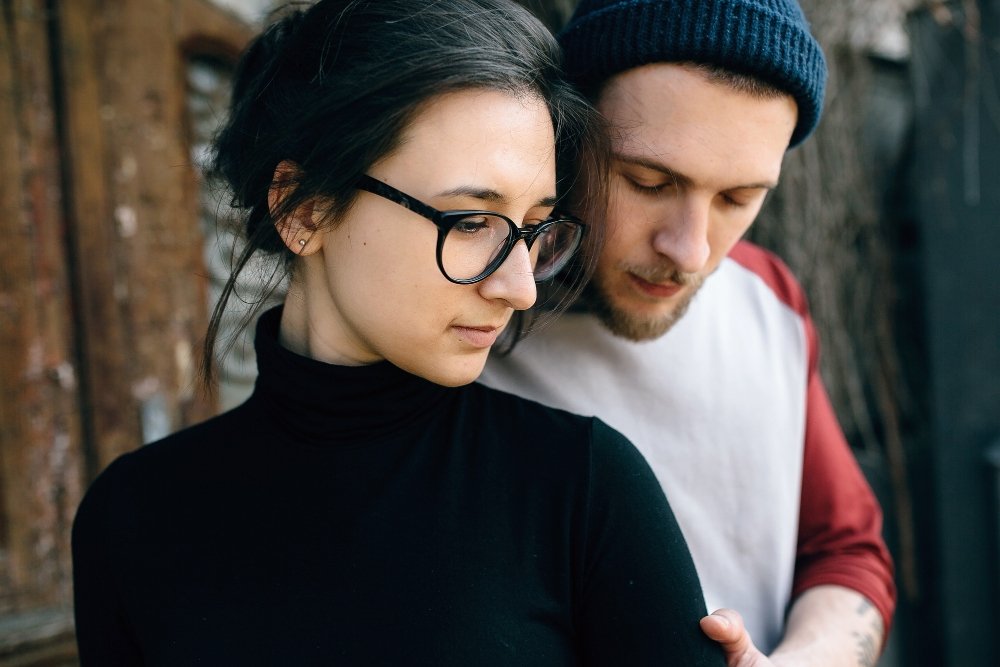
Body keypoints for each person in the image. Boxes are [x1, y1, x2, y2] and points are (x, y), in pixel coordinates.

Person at [71, 1, 728, 664]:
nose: (521, 287)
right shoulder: (133, 517)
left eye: (534, 229)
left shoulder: (580, 489)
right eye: (471, 222)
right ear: (303, 209)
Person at [483, 1, 897, 665]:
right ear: (566, 133)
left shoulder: (768, 297)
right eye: (649, 181)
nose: (692, 249)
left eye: (738, 198)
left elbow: (845, 550)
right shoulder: (465, 322)